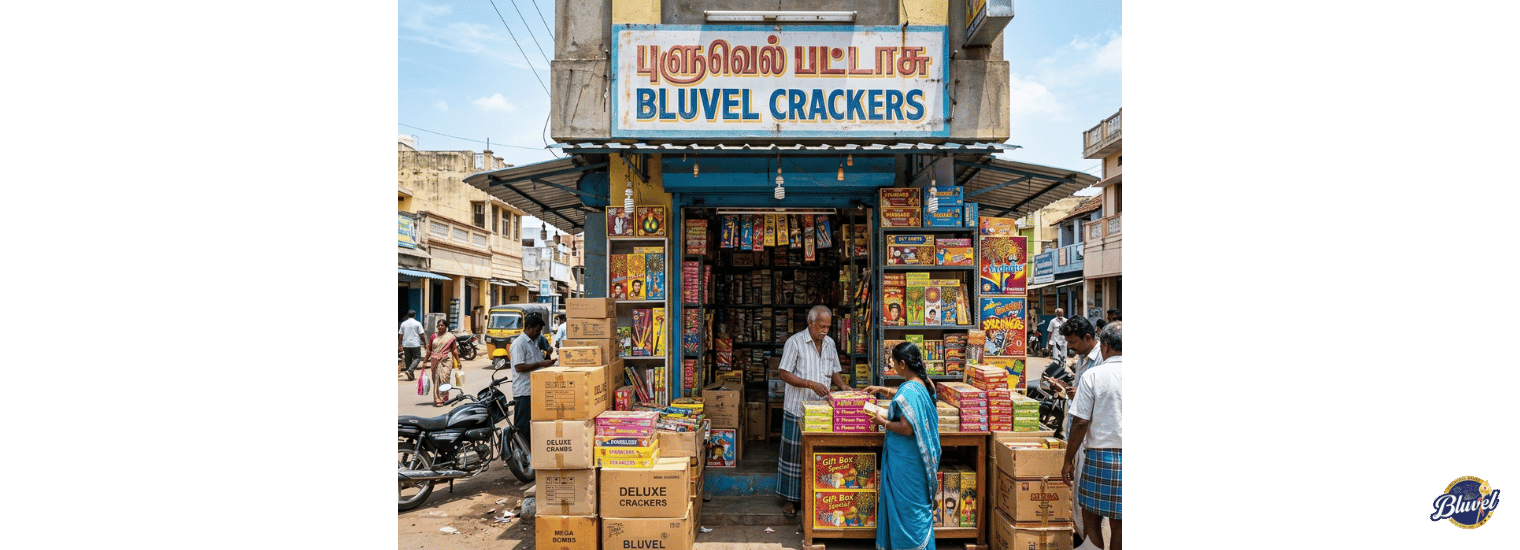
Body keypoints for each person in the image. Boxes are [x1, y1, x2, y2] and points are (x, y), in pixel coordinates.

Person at [863, 342, 942, 550]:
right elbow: (906, 395)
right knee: (916, 506)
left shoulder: (909, 388)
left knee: (905, 507)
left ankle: (907, 545)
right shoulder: (925, 382)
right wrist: (883, 390)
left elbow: (906, 428)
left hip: (906, 460)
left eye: (894, 363)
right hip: (918, 459)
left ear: (903, 364)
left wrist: (882, 422)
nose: (893, 367)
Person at [775, 305, 852, 517]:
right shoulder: (795, 342)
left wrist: (843, 386)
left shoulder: (829, 344)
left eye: (828, 327)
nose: (825, 330)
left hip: (821, 411)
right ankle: (790, 500)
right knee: (794, 456)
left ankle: (815, 497)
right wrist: (810, 384)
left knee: (818, 455)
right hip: (798, 408)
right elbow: (784, 373)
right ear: (810, 323)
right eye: (821, 326)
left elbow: (834, 370)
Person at [1063, 322, 1122, 550]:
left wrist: (1068, 460)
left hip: (1099, 456)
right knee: (1121, 525)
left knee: (1091, 521)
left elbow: (1080, 422)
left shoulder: (1094, 375)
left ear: (1105, 345)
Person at [1050, 315, 1103, 539]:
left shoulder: (1101, 359)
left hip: (1090, 438)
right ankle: (1084, 539)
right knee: (1082, 504)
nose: (1070, 347)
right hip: (1079, 434)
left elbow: (1095, 401)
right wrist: (1069, 389)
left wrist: (1068, 460)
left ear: (1088, 337)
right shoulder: (1082, 358)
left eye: (1072, 342)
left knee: (1089, 507)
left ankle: (1087, 540)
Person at [509, 313, 556, 440]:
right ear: (529, 328)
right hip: (524, 392)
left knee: (532, 427)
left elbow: (536, 363)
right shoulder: (519, 344)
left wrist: (546, 363)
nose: (538, 333)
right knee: (522, 427)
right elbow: (519, 367)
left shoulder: (534, 342)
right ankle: (518, 455)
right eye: (536, 330)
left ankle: (529, 454)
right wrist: (540, 363)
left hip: (534, 391)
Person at [425, 319, 460, 407]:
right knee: (436, 379)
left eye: (442, 325)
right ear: (437, 326)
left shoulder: (450, 337)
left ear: (446, 327)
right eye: (439, 325)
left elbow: (454, 349)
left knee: (444, 378)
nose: (440, 327)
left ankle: (443, 398)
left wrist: (458, 361)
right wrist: (425, 360)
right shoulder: (433, 336)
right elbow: (429, 349)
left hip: (446, 359)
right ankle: (438, 399)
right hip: (435, 360)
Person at [399, 310, 425, 381]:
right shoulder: (417, 323)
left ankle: (410, 377)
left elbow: (400, 335)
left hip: (406, 344)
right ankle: (410, 371)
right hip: (415, 344)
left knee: (408, 360)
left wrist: (400, 344)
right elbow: (421, 335)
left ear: (407, 315)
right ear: (415, 315)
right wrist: (425, 343)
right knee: (417, 358)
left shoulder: (403, 324)